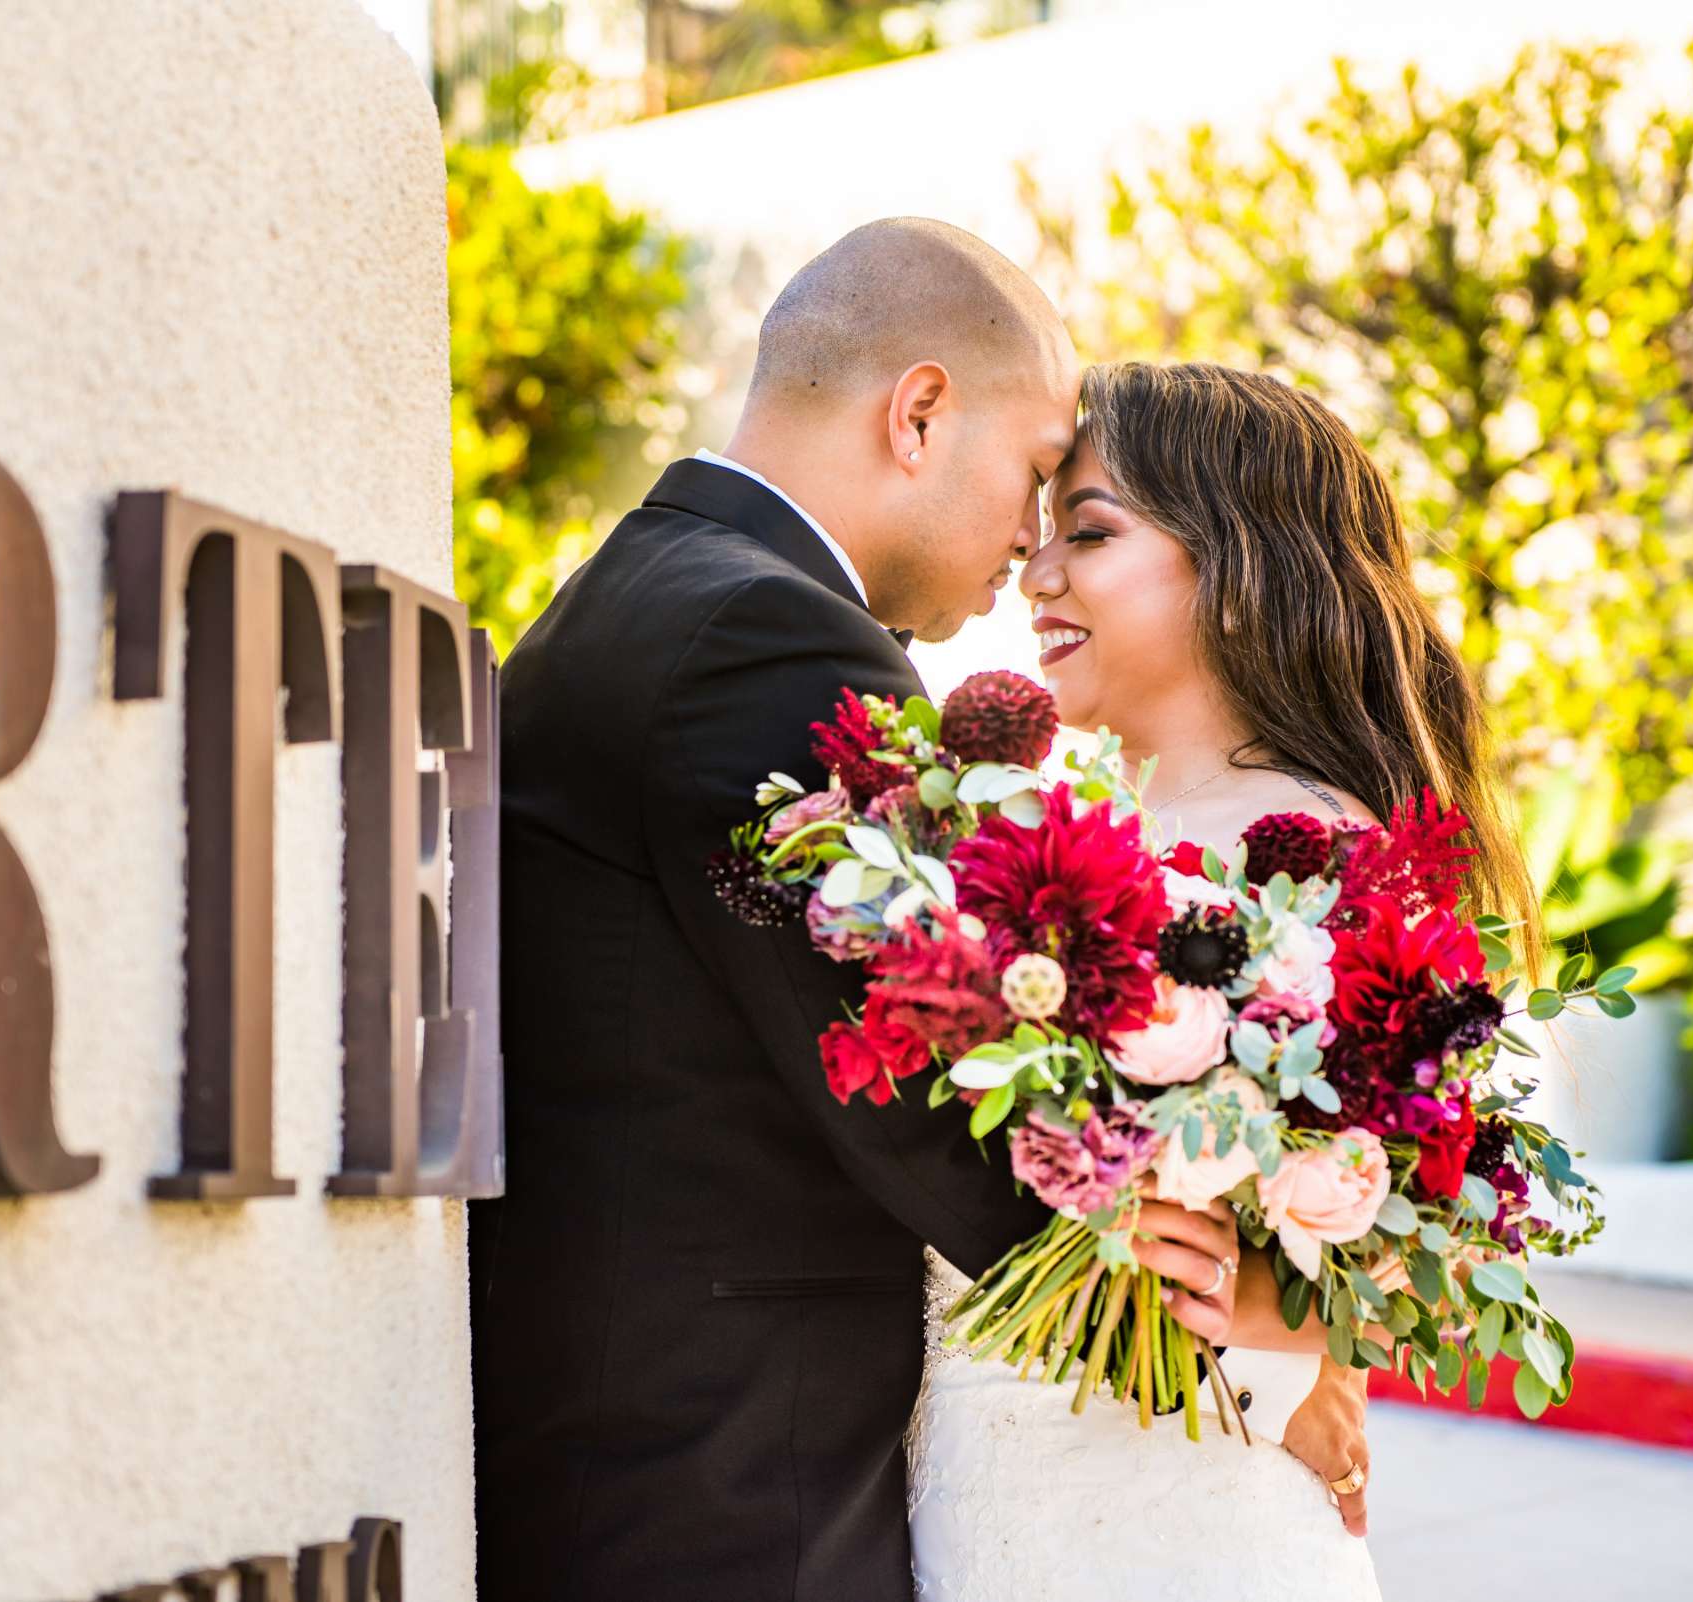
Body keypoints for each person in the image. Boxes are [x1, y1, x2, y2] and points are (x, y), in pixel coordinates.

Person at [470, 222, 1243, 1602]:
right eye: (1032, 472)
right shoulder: (761, 640)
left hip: (657, 1471)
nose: (1030, 536)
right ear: (920, 413)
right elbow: (931, 1088)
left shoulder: (644, 592)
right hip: (713, 1503)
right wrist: (1236, 1322)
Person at [908, 361, 1538, 1600]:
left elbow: (1435, 1235)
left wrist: (1273, 1346)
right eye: (1039, 540)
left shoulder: (1326, 852)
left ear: (1243, 570)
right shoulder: (1066, 833)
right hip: (982, 1491)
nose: (1036, 577)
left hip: (1172, 1530)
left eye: (1089, 533)